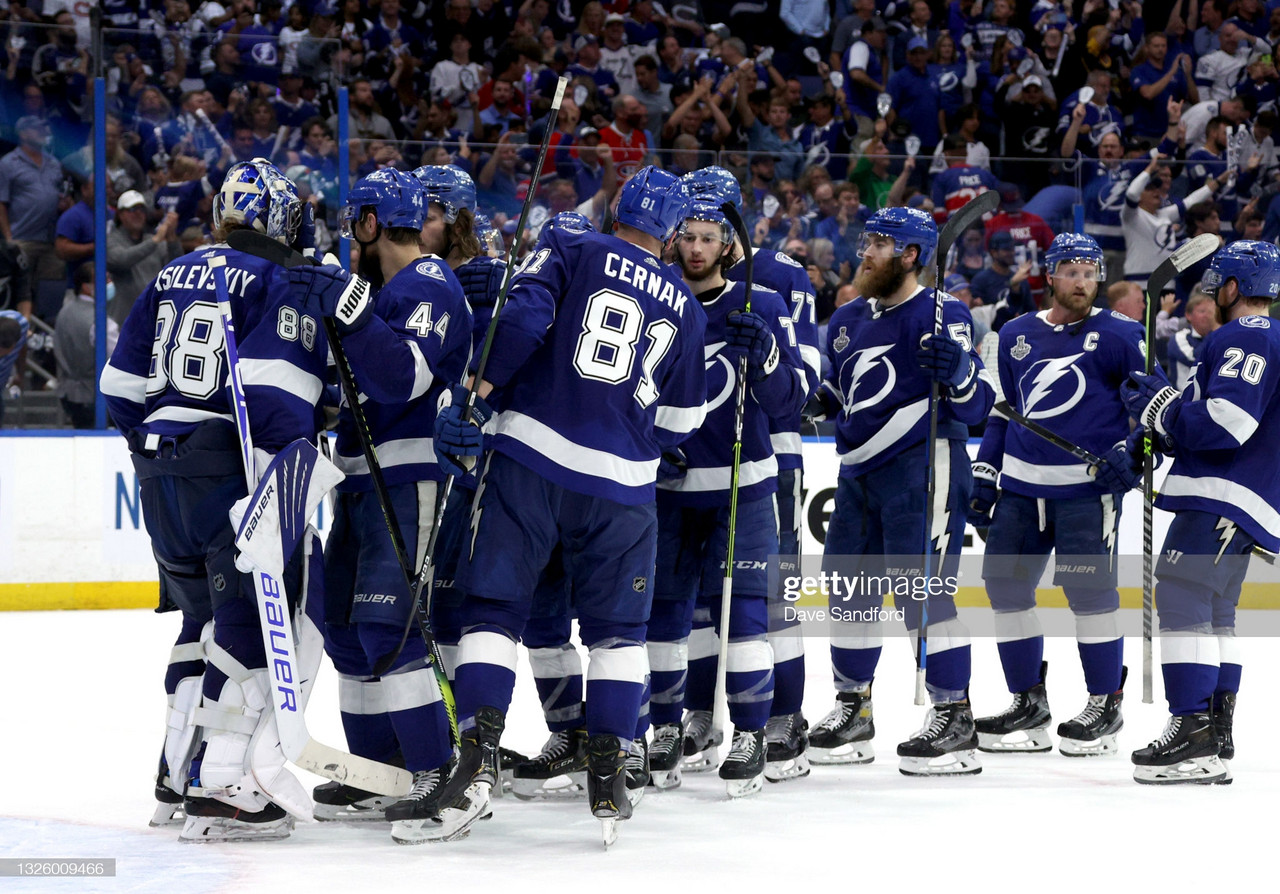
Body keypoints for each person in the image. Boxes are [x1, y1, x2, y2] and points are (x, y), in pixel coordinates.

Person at [428, 166, 707, 840]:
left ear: (619, 210)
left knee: (494, 611)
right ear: (670, 236)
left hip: (531, 460)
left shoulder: (576, 245)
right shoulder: (689, 307)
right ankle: (609, 771)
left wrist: (479, 392)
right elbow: (683, 422)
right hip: (625, 488)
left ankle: (476, 761)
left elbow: (523, 318)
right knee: (618, 635)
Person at [99, 158, 331, 842]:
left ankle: (176, 772)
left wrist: (164, 448)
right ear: (283, 220)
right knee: (254, 619)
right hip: (227, 469)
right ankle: (225, 783)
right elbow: (278, 396)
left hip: (158, 472)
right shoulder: (275, 277)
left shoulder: (172, 271)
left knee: (198, 620)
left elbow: (118, 390)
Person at [291, 169, 473, 842]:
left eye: (353, 223)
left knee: (391, 629)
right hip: (359, 482)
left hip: (410, 476)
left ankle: (435, 773)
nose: (348, 236)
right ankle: (378, 771)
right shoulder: (381, 292)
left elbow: (403, 377)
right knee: (347, 632)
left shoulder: (427, 284)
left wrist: (349, 310)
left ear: (371, 224)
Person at [805, 206, 995, 775]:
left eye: (880, 244)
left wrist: (959, 372)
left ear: (911, 256)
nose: (865, 252)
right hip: (858, 472)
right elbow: (846, 394)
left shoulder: (944, 314)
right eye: (867, 240)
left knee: (923, 595)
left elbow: (976, 407)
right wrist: (817, 400)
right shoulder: (845, 321)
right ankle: (855, 707)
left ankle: (954, 715)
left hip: (924, 466)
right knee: (848, 590)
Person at [644, 199, 807, 797]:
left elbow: (795, 398)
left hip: (744, 487)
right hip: (668, 490)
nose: (695, 248)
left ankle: (750, 733)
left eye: (708, 238)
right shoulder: (655, 303)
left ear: (727, 246)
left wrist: (764, 359)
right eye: (686, 236)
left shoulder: (759, 304)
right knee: (664, 617)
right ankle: (664, 729)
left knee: (744, 620)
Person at [968, 233, 1146, 758]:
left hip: (1085, 495)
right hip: (1021, 492)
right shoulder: (1016, 334)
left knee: (1089, 598)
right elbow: (1004, 412)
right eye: (1072, 271)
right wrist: (985, 473)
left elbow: (1152, 406)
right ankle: (1028, 702)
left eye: (1091, 273)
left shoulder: (1120, 334)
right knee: (1004, 590)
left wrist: (1133, 453)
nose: (1082, 281)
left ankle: (1103, 704)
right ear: (1050, 275)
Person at [679, 166, 820, 783]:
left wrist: (765, 361)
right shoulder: (670, 279)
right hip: (692, 458)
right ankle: (697, 713)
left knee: (766, 594)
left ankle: (781, 715)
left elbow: (807, 379)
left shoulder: (782, 275)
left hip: (771, 450)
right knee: (695, 606)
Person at [1121, 239, 1280, 785]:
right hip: (1247, 498)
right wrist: (1151, 427)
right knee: (1216, 611)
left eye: (1220, 282)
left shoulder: (1242, 337)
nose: (1213, 291)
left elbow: (1227, 421)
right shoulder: (1254, 339)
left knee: (1182, 592)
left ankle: (1191, 732)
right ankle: (1215, 730)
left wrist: (1160, 410)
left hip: (1227, 491)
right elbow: (1186, 413)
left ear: (1235, 288)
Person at [54, 263, 119, 429]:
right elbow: (120, 358)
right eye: (104, 280)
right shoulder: (101, 323)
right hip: (93, 397)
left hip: (68, 395)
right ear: (86, 287)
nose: (110, 283)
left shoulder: (64, 311)